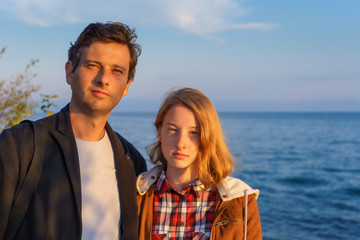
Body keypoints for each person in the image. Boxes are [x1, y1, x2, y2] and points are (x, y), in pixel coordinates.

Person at [0, 22, 147, 240]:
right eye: (92, 65)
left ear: (127, 85)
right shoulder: (19, 146)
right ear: (70, 72)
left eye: (117, 71)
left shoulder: (132, 161)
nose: (103, 79)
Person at [136, 87, 262, 240]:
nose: (181, 143)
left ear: (207, 137)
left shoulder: (241, 201)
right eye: (172, 130)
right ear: (159, 132)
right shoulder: (136, 195)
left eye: (193, 132)